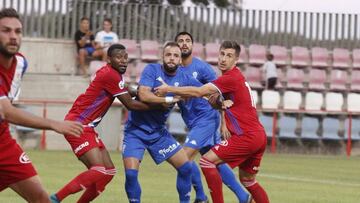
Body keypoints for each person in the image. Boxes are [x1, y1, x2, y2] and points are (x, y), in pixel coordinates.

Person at [155, 41, 270, 203]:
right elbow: (213, 99)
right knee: (248, 180)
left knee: (206, 161)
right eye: (222, 54)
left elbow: (199, 91)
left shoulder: (230, 78)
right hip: (259, 136)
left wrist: (169, 89)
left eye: (229, 56)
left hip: (247, 136)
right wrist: (219, 103)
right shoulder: (235, 79)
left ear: (236, 60)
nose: (223, 59)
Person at [49, 44, 159, 203]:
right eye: (118, 57)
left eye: (125, 57)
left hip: (86, 127)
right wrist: (156, 104)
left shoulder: (111, 73)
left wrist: (143, 92)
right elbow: (130, 104)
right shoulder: (111, 75)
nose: (123, 61)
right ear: (109, 59)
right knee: (99, 170)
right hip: (78, 125)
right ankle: (55, 199)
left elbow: (126, 88)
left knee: (108, 171)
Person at [0, 8, 83, 203]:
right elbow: (7, 111)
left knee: (41, 199)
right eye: (6, 30)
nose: (13, 36)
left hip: (3, 142)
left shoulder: (21, 64)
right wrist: (55, 124)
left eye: (18, 31)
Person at [175, 32, 252, 203]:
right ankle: (243, 196)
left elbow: (222, 94)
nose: (184, 44)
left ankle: (201, 197)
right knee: (214, 161)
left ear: (192, 45)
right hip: (193, 122)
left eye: (188, 41)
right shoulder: (174, 70)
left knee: (183, 158)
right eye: (180, 41)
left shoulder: (202, 68)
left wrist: (224, 123)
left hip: (207, 119)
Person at [122, 42, 198, 203]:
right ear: (162, 57)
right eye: (169, 55)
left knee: (186, 168)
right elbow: (143, 95)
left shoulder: (184, 78)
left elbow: (203, 90)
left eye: (176, 55)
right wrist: (167, 98)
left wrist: (219, 98)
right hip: (136, 130)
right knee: (130, 174)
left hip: (158, 133)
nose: (172, 58)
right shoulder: (152, 70)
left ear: (180, 60)